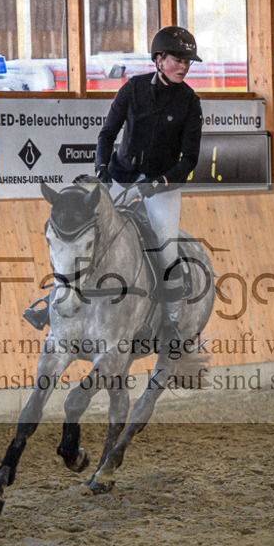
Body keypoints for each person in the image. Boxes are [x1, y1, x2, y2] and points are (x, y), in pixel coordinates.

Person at [24, 26, 204, 341]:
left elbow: (190, 158)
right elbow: (107, 134)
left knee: (167, 249)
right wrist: (102, 168)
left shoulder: (190, 102)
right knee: (82, 235)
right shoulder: (132, 90)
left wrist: (161, 182)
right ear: (159, 59)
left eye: (188, 61)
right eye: (178, 59)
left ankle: (172, 322)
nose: (184, 66)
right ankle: (50, 305)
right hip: (120, 177)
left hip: (162, 188)